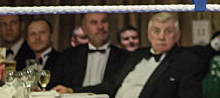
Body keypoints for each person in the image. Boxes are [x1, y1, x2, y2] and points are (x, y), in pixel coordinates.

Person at [55, 12, 205, 98]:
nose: (161, 37)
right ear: (149, 35)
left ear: (177, 35)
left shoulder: (187, 61)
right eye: (156, 31)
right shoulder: (137, 55)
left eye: (168, 31)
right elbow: (111, 85)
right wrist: (72, 90)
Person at [51, 12, 130, 89]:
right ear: (84, 29)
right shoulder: (69, 55)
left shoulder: (125, 57)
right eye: (94, 22)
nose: (100, 27)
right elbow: (56, 86)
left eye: (104, 21)